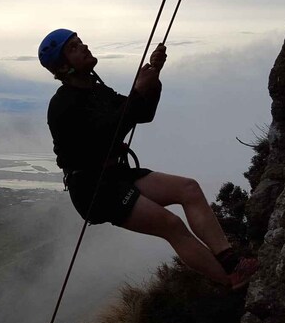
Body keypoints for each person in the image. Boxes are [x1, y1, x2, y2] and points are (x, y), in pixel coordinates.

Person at [39, 28, 257, 288]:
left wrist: (152, 80)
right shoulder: (63, 105)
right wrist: (138, 91)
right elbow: (108, 132)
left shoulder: (96, 90)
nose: (83, 47)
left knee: (189, 189)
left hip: (113, 176)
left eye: (80, 42)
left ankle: (232, 262)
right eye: (73, 47)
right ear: (63, 68)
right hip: (93, 189)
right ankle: (231, 283)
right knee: (171, 225)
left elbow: (141, 113)